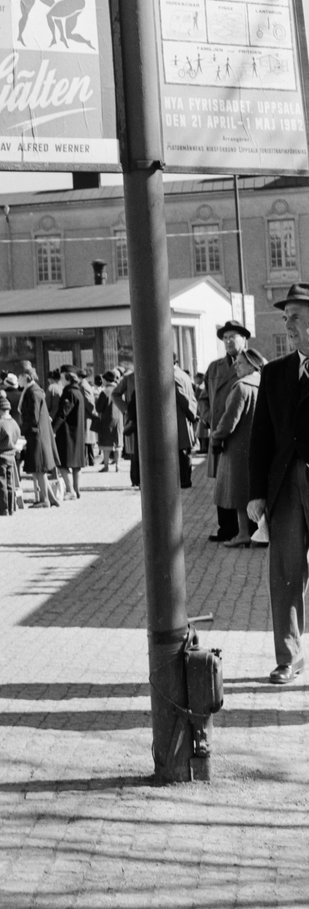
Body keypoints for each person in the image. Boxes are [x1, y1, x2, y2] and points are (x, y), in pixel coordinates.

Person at [247, 284, 309, 684]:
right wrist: (255, 494)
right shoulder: (274, 373)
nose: (289, 326)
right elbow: (261, 438)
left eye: (296, 318)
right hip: (286, 485)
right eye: (286, 319)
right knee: (286, 571)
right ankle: (290, 656)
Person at [203, 321, 265, 541]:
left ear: (244, 339)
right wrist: (209, 416)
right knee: (224, 483)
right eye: (225, 337)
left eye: (233, 336)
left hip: (237, 433)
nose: (228, 340)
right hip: (220, 431)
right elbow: (204, 399)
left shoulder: (257, 365)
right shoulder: (214, 367)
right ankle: (226, 529)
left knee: (237, 483)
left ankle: (245, 530)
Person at [213, 359, 265, 549]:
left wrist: (215, 437)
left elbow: (229, 421)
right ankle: (262, 533)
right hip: (260, 446)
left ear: (252, 365)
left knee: (239, 494)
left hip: (238, 449)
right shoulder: (263, 383)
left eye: (241, 363)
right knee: (258, 490)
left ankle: (243, 533)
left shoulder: (242, 387)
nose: (236, 366)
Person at [19, 364, 60, 507]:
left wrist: (21, 431)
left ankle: (45, 500)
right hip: (37, 434)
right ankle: (51, 498)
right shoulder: (33, 390)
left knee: (39, 469)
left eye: (20, 377)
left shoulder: (33, 392)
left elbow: (33, 416)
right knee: (37, 469)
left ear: (25, 377)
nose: (18, 380)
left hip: (37, 435)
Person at [51, 368, 86, 500]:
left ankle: (70, 490)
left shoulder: (69, 393)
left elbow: (63, 413)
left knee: (63, 463)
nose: (60, 380)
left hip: (67, 433)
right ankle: (77, 490)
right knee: (76, 464)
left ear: (67, 378)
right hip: (77, 432)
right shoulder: (78, 392)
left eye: (62, 378)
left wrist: (52, 429)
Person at [94, 371, 123, 472]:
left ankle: (106, 466)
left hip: (106, 419)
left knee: (106, 444)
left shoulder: (104, 392)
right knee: (118, 442)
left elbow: (99, 408)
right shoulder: (119, 390)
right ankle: (118, 465)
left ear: (106, 380)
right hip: (119, 418)